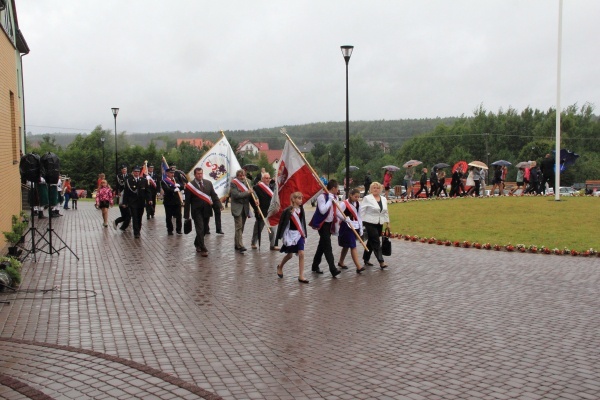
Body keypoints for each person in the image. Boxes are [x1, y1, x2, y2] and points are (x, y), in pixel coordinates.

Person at [184, 168, 222, 256]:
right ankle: (203, 248)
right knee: (200, 228)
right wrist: (186, 215)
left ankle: (197, 243)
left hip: (207, 209)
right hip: (196, 211)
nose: (199, 175)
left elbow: (213, 195)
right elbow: (187, 201)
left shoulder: (208, 183)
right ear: (194, 174)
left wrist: (219, 205)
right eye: (198, 174)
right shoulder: (190, 186)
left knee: (205, 229)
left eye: (201, 173)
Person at [309, 180, 341, 278]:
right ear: (333, 188)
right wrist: (329, 200)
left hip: (329, 224)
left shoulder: (335, 197)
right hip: (322, 225)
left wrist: (346, 219)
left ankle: (314, 266)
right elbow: (323, 210)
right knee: (327, 246)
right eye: (337, 188)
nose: (338, 190)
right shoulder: (322, 197)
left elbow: (337, 211)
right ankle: (333, 269)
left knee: (322, 245)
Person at [275, 192, 309, 283]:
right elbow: (283, 224)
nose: (300, 200)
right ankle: (280, 266)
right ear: (293, 199)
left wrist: (304, 234)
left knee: (301, 253)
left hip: (299, 234)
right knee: (289, 255)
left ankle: (301, 276)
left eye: (301, 198)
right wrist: (282, 236)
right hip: (290, 235)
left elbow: (302, 223)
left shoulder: (301, 210)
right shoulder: (287, 211)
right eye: (298, 198)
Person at [360, 181, 389, 269]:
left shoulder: (383, 199)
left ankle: (366, 258)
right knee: (376, 241)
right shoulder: (367, 198)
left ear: (380, 189)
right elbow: (362, 210)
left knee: (371, 242)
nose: (376, 189)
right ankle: (381, 261)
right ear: (370, 189)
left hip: (379, 223)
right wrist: (361, 222)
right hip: (369, 222)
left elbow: (385, 211)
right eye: (374, 188)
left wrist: (387, 223)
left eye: (377, 188)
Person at [336, 188, 365, 274]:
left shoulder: (358, 204)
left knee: (347, 245)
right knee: (352, 245)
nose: (357, 198)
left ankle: (341, 262)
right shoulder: (344, 204)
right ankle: (358, 266)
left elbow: (359, 216)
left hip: (354, 226)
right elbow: (337, 212)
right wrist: (345, 218)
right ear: (350, 195)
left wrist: (361, 227)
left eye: (358, 197)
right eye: (355, 196)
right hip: (346, 227)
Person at [123, 165, 152, 238]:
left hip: (141, 202)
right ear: (133, 172)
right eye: (135, 171)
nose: (137, 173)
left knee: (139, 217)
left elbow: (147, 191)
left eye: (138, 171)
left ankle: (138, 229)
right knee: (135, 217)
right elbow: (126, 193)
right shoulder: (129, 181)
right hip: (132, 202)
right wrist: (125, 202)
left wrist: (149, 200)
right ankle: (136, 232)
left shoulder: (143, 180)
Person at [251, 172, 278, 250]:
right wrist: (256, 209)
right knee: (258, 228)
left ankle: (272, 245)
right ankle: (253, 243)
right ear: (262, 179)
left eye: (269, 178)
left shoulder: (272, 187)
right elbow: (253, 199)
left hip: (271, 211)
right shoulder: (257, 187)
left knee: (272, 229)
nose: (268, 180)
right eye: (266, 178)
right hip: (261, 211)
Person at [230, 169, 254, 253]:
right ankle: (240, 245)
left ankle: (237, 244)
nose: (242, 177)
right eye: (240, 176)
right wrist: (248, 192)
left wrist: (256, 198)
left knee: (241, 226)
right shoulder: (233, 183)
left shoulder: (248, 181)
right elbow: (236, 195)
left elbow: (252, 192)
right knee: (239, 226)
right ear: (237, 176)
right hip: (237, 207)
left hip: (245, 208)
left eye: (243, 175)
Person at [161, 167, 183, 235]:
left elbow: (182, 185)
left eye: (173, 173)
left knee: (179, 215)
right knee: (169, 216)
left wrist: (179, 186)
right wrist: (173, 189)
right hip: (169, 201)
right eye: (171, 173)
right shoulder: (164, 181)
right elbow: (166, 189)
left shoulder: (175, 179)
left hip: (177, 200)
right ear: (167, 173)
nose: (172, 174)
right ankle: (170, 230)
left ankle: (178, 229)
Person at [114, 165, 131, 231]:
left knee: (128, 215)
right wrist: (117, 193)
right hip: (122, 195)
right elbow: (117, 185)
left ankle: (122, 226)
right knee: (126, 214)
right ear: (121, 170)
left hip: (128, 196)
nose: (125, 170)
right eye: (123, 169)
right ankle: (120, 224)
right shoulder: (119, 176)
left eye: (125, 169)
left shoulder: (129, 176)